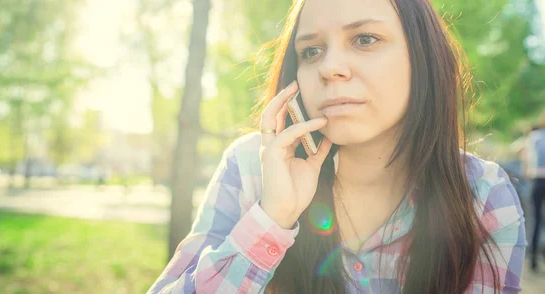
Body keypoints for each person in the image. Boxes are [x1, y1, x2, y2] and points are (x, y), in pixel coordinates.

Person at [149, 0, 526, 293]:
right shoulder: (252, 168)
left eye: (365, 39)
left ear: (423, 57)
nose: (330, 67)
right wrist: (272, 218)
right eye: (311, 51)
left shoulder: (483, 195)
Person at [523, 111, 545, 272]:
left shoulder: (534, 136)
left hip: (537, 180)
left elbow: (527, 161)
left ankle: (533, 258)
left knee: (535, 218)